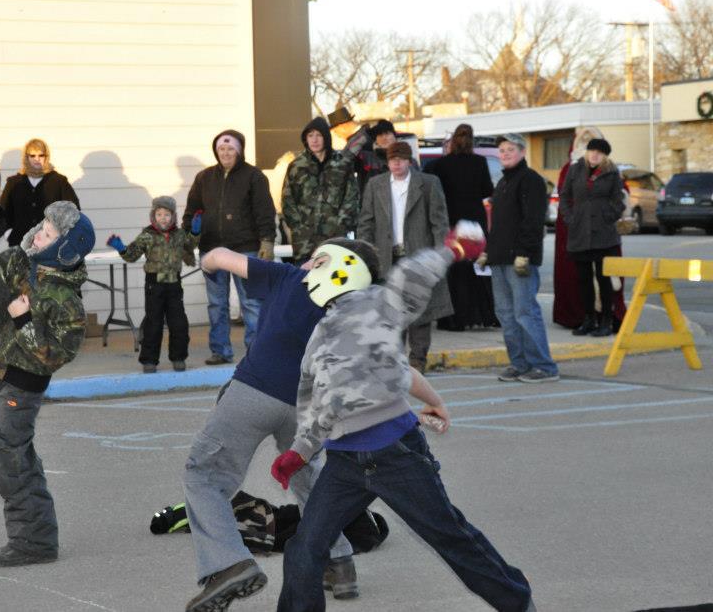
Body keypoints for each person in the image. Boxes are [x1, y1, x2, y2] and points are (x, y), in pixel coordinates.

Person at [270, 231, 535, 612]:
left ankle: (517, 601)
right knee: (305, 547)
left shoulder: (377, 304)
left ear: (346, 266)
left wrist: (452, 250)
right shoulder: (322, 331)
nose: (307, 268)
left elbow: (411, 274)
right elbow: (313, 396)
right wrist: (299, 450)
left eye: (317, 261)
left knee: (450, 537)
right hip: (344, 463)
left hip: (396, 455)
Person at [182, 246, 356, 612]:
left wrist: (207, 266)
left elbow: (218, 255)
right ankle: (339, 563)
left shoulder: (289, 277)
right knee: (307, 475)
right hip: (306, 405)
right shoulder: (345, 308)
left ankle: (229, 564)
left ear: (321, 263)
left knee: (204, 475)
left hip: (255, 390)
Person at [0, 201, 94, 567]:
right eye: (41, 225)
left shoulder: (67, 300)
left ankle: (34, 541)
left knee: (15, 459)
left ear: (64, 249)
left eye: (48, 233)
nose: (38, 234)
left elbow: (56, 354)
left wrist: (25, 319)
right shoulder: (19, 260)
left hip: (26, 381)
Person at [183, 130, 276, 365]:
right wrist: (189, 235)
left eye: (230, 149)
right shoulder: (204, 178)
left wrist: (267, 241)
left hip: (245, 249)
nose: (225, 153)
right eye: (221, 149)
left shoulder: (254, 177)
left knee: (252, 302)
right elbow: (191, 211)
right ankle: (221, 350)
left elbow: (265, 211)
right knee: (217, 303)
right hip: (212, 249)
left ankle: (256, 352)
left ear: (239, 150)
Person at [357, 141, 451, 372]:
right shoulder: (375, 185)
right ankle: (394, 359)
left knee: (420, 310)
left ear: (410, 161)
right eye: (392, 159)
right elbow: (366, 222)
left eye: (401, 159)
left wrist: (441, 255)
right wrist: (366, 254)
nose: (396, 163)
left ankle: (417, 360)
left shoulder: (428, 183)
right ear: (387, 162)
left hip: (418, 255)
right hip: (387, 257)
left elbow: (439, 223)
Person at [482, 133, 559, 383]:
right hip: (499, 258)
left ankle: (544, 366)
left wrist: (525, 253)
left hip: (519, 259)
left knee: (525, 312)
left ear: (522, 152)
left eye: (510, 149)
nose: (505, 154)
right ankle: (520, 363)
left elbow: (533, 221)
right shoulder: (503, 182)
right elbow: (499, 223)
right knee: (505, 313)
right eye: (502, 150)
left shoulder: (531, 181)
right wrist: (489, 250)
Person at [106, 196, 199, 373]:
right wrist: (121, 248)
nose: (163, 218)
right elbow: (131, 256)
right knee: (153, 324)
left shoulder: (179, 235)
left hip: (174, 285)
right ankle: (149, 360)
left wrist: (195, 232)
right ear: (153, 216)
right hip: (154, 286)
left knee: (179, 323)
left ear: (173, 216)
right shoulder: (146, 236)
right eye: (159, 214)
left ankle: (178, 357)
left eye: (167, 214)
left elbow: (190, 246)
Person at [552, 127, 627, 332]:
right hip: (579, 234)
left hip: (603, 235)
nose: (595, 155)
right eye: (592, 151)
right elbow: (565, 196)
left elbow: (619, 201)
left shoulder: (612, 173)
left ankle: (605, 321)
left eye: (599, 152)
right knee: (583, 280)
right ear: (587, 151)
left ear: (604, 156)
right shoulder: (574, 170)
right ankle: (588, 319)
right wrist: (570, 218)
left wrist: (607, 217)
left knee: (604, 281)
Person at [425, 123, 498, 331]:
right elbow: (487, 190)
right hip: (474, 220)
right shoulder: (480, 162)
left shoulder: (441, 165)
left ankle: (454, 318)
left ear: (453, 141)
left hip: (452, 220)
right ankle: (480, 314)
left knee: (454, 270)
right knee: (476, 268)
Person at [281, 117, 359, 262]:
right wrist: (299, 228)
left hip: (336, 240)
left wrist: (341, 225)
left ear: (326, 138)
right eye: (310, 136)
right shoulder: (296, 166)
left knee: (335, 281)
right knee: (306, 282)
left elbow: (352, 198)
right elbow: (287, 201)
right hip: (305, 244)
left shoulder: (342, 163)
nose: (314, 140)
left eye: (318, 135)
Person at [0, 138, 80, 247]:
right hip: (20, 242)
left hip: (51, 244)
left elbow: (72, 209)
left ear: (46, 157)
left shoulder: (58, 181)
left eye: (41, 155)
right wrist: (8, 233)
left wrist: (61, 232)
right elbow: (3, 211)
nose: (37, 159)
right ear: (26, 157)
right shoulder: (14, 182)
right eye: (32, 156)